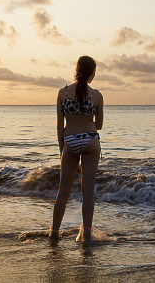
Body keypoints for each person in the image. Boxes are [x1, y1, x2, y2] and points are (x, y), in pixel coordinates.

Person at [49, 55, 103, 244]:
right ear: (91, 74)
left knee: (63, 191)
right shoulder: (96, 95)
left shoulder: (62, 93)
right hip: (90, 140)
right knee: (87, 191)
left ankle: (54, 233)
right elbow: (100, 125)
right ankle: (86, 235)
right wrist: (86, 117)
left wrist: (62, 149)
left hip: (69, 139)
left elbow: (59, 126)